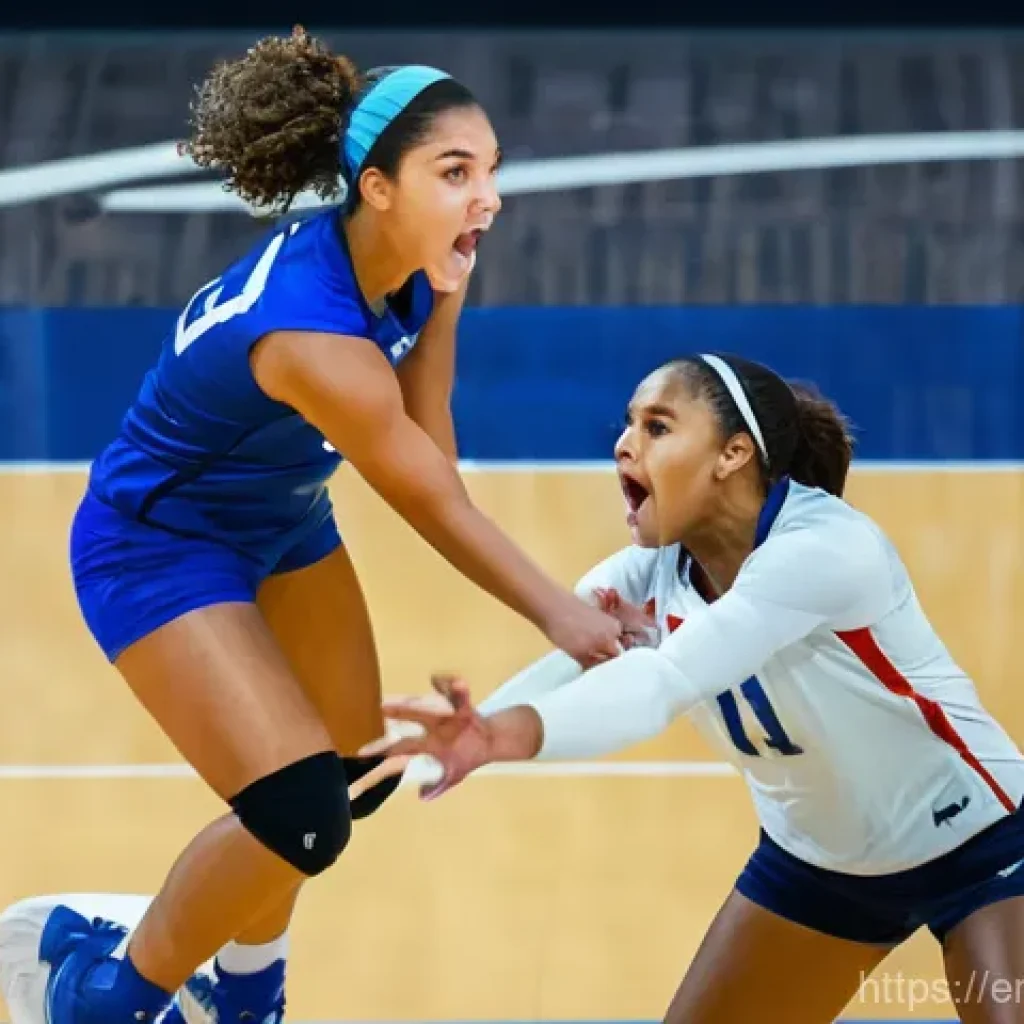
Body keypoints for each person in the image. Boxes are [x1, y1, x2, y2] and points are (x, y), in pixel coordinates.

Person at [0, 27, 623, 1024]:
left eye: (490, 169)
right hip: (158, 547)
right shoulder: (309, 331)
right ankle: (95, 986)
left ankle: (244, 994)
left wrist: (447, 298)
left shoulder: (397, 263)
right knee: (298, 816)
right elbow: (429, 500)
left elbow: (431, 449)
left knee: (352, 776)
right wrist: (562, 615)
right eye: (455, 172)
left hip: (282, 522)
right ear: (377, 186)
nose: (488, 197)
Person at [369, 352, 1024, 1024]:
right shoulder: (642, 575)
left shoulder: (825, 549)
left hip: (981, 844)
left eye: (657, 427)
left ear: (732, 454)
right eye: (629, 424)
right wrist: (473, 730)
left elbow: (661, 683)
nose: (625, 444)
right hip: (818, 865)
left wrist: (498, 737)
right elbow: (569, 666)